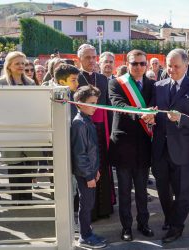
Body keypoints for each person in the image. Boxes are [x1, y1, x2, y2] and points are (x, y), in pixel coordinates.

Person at [141, 48, 189, 243]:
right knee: (163, 190)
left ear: (186, 66)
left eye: (176, 66)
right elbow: (153, 110)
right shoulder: (158, 86)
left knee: (183, 192)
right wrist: (150, 117)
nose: (172, 70)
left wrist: (181, 119)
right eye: (169, 66)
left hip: (183, 150)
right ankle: (170, 219)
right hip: (160, 148)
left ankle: (177, 226)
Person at [108, 49, 155, 241]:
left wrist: (152, 113)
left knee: (143, 192)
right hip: (123, 146)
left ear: (146, 65)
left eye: (142, 63)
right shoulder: (116, 83)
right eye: (134, 63)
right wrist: (142, 111)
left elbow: (156, 106)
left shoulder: (152, 85)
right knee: (125, 192)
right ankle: (126, 228)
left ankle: (143, 224)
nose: (138, 67)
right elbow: (117, 104)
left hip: (144, 145)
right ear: (127, 64)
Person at [77, 44, 115, 220]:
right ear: (80, 59)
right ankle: (89, 212)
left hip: (101, 130)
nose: (91, 61)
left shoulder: (102, 79)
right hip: (82, 129)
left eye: (94, 57)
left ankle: (104, 208)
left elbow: (107, 106)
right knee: (88, 167)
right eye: (87, 57)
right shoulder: (75, 78)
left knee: (102, 166)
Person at [0, 51, 38, 201]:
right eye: (17, 63)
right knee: (14, 165)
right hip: (11, 132)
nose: (21, 66)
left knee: (27, 165)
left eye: (23, 63)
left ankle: (27, 198)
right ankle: (17, 200)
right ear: (9, 66)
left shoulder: (31, 83)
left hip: (28, 131)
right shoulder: (0, 83)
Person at [71, 85, 107, 249]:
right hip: (85, 174)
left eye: (96, 102)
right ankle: (84, 237)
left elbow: (91, 150)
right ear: (79, 103)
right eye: (91, 103)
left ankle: (88, 232)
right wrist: (88, 176)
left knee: (89, 204)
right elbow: (80, 154)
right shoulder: (80, 124)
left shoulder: (86, 120)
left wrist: (95, 170)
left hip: (90, 172)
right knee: (85, 206)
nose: (95, 106)